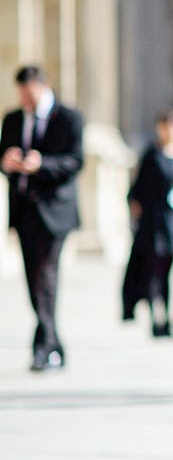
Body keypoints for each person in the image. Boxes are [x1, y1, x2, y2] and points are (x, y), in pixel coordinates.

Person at [1, 65, 83, 371]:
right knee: (32, 279)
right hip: (23, 212)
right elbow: (2, 156)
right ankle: (54, 343)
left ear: (43, 87)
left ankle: (43, 347)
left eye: (29, 94)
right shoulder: (12, 119)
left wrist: (41, 164)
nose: (25, 100)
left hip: (55, 211)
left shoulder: (69, 118)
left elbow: (76, 161)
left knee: (45, 277)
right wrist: (7, 162)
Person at [122, 109, 173, 338]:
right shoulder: (152, 154)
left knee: (167, 271)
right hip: (155, 222)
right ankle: (157, 317)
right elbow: (137, 190)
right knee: (153, 270)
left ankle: (166, 315)